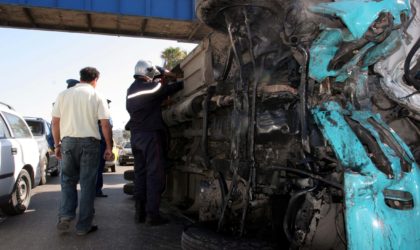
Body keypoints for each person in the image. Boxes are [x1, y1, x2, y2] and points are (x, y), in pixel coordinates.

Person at [52, 67, 113, 236]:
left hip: (68, 143)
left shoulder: (63, 95)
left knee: (67, 182)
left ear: (80, 78)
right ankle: (83, 226)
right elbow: (105, 124)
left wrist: (57, 145)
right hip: (90, 143)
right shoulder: (97, 95)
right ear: (95, 79)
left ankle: (65, 216)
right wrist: (108, 146)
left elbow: (55, 123)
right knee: (87, 185)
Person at [126, 60, 183, 226]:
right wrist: (180, 80)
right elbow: (168, 88)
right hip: (150, 136)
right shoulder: (151, 87)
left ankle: (140, 214)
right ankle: (153, 216)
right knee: (154, 175)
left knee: (140, 174)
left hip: (136, 137)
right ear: (148, 72)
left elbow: (151, 102)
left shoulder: (132, 89)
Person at [96, 99, 113, 198]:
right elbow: (108, 128)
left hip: (94, 143)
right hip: (101, 144)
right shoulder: (105, 116)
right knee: (98, 168)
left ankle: (93, 190)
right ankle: (97, 191)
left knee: (93, 169)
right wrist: (109, 146)